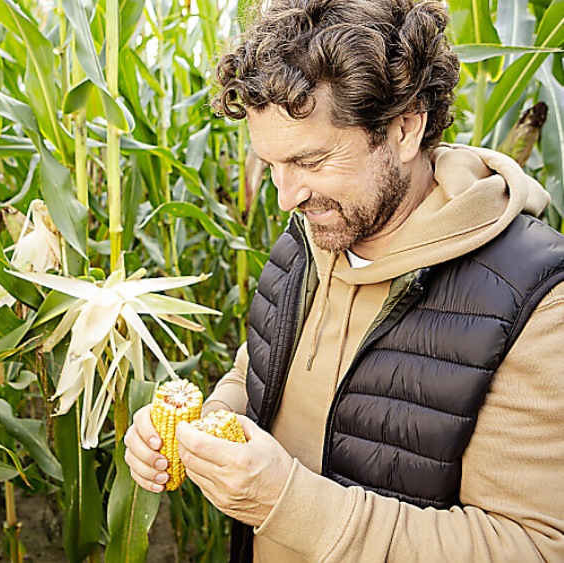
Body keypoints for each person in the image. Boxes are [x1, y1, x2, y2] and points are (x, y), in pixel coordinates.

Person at [124, 0, 564, 560]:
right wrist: (210, 423)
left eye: (310, 161)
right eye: (274, 164)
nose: (287, 196)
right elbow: (260, 371)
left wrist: (287, 504)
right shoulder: (313, 234)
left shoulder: (537, 302)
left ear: (405, 128)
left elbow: (534, 547)